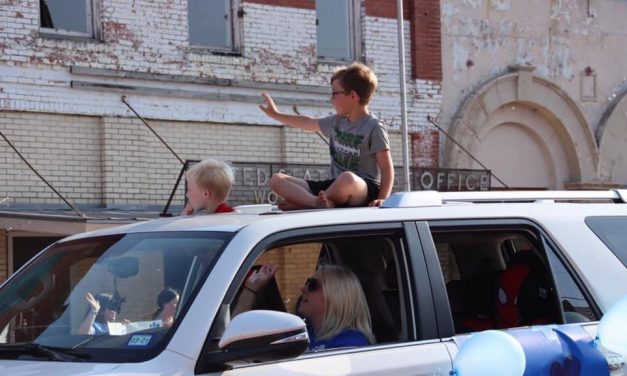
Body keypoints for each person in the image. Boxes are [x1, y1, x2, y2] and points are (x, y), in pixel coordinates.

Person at [259, 62, 394, 210]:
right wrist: (276, 115)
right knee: (276, 179)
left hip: (362, 189)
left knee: (347, 178)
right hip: (332, 187)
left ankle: (305, 203)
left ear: (353, 96)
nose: (331, 99)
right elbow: (308, 122)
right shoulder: (336, 121)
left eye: (335, 93)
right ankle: (314, 203)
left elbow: (387, 169)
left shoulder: (374, 126)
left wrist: (382, 199)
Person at [235, 263, 375, 351]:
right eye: (307, 282)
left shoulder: (350, 343)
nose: (303, 289)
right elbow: (235, 334)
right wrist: (251, 289)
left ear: (336, 296)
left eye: (312, 285)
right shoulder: (302, 330)